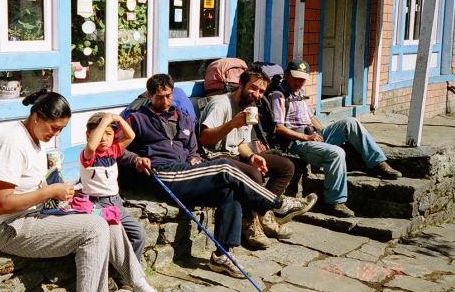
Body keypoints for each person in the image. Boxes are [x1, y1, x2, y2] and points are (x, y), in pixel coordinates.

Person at [0, 89, 173, 292]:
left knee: (106, 218)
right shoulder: (13, 143)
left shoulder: (34, 138)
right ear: (38, 116)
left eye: (61, 129)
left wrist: (66, 192)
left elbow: (29, 186)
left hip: (32, 214)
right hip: (8, 228)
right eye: (54, 127)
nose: (56, 134)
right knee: (94, 228)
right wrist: (50, 192)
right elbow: (2, 204)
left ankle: (139, 285)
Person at [122, 74, 314, 279]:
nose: (165, 101)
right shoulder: (137, 118)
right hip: (162, 175)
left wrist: (194, 158)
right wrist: (135, 159)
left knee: (229, 192)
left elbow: (193, 149)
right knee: (225, 167)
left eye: (168, 96)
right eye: (159, 97)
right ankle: (277, 205)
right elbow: (116, 149)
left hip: (186, 173)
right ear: (149, 96)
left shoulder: (183, 118)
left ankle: (223, 255)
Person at [199, 66, 317, 249]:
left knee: (286, 167)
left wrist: (253, 156)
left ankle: (265, 214)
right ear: (241, 84)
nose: (257, 94)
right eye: (253, 88)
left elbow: (242, 143)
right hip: (214, 157)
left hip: (236, 154)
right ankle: (251, 222)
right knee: (254, 175)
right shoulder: (221, 103)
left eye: (261, 91)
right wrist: (232, 124)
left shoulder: (250, 107)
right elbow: (205, 139)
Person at [271, 59, 402, 218]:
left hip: (311, 135)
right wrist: (307, 137)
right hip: (296, 142)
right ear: (286, 74)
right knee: (336, 153)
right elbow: (278, 128)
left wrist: (324, 133)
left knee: (351, 123)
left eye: (302, 79)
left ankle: (377, 162)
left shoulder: (300, 92)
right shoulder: (279, 95)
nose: (299, 82)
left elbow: (310, 118)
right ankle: (335, 202)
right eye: (296, 78)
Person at [81, 112, 146, 260]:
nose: (103, 139)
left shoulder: (113, 151)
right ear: (88, 135)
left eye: (108, 134)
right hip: (97, 205)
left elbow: (130, 136)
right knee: (110, 241)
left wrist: (117, 119)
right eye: (99, 134)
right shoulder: (88, 155)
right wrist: (104, 121)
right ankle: (111, 276)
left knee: (139, 235)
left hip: (116, 204)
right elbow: (92, 145)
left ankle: (127, 276)